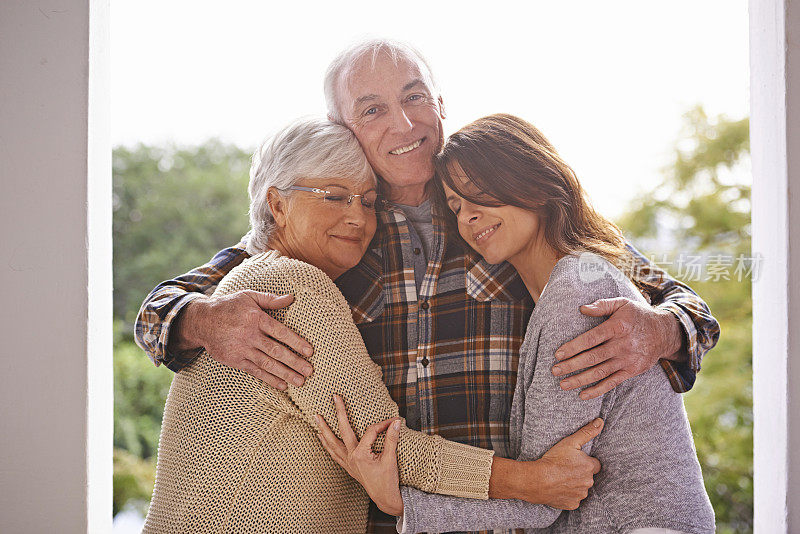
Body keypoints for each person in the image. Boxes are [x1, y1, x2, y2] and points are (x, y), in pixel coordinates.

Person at [135, 39, 720, 532]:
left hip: (505, 518)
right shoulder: (334, 233)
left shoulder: (498, 204)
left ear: (440, 103)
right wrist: (202, 320)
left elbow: (671, 298)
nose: (404, 123)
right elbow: (161, 309)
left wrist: (665, 328)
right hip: (391, 519)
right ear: (344, 129)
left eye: (414, 97)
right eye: (372, 111)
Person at [142, 117, 604, 533]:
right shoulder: (289, 285)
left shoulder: (258, 278)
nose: (356, 217)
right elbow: (383, 446)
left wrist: (664, 325)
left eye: (367, 202)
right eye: (335, 197)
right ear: (277, 206)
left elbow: (605, 256)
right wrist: (533, 481)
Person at [320, 114, 716, 533]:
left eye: (481, 195)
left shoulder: (578, 290)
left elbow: (548, 493)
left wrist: (399, 503)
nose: (468, 216)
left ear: (533, 183)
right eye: (456, 206)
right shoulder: (354, 228)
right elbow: (271, 240)